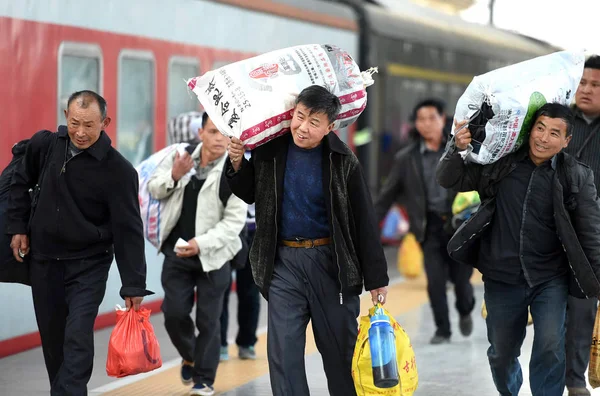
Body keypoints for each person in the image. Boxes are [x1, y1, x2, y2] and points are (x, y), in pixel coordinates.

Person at [226, 85, 389, 396]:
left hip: (332, 265)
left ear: (330, 127)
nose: (302, 127)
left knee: (340, 355)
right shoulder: (270, 151)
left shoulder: (343, 160)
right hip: (283, 263)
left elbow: (364, 220)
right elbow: (249, 192)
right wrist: (236, 164)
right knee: (283, 355)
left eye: (314, 123)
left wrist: (377, 278)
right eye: (299, 117)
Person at [437, 103, 600, 395]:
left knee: (550, 346)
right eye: (539, 128)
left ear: (566, 141)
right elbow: (450, 179)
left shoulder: (575, 176)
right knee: (501, 353)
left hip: (550, 278)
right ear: (529, 130)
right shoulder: (502, 164)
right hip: (501, 275)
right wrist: (456, 148)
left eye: (554, 133)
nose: (543, 138)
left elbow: (590, 232)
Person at [6, 90, 152, 396]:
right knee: (53, 342)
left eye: (89, 125)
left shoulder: (118, 170)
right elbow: (18, 180)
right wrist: (17, 226)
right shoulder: (45, 146)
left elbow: (128, 229)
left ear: (105, 122)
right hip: (44, 262)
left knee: (78, 335)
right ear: (65, 117)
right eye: (74, 123)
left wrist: (134, 285)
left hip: (88, 265)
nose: (80, 133)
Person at [147, 112, 247, 396]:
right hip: (177, 254)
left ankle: (204, 378)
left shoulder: (237, 171)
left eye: (226, 134)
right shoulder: (182, 156)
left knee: (208, 320)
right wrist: (175, 174)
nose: (220, 140)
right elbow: (154, 188)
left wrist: (201, 243)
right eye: (213, 132)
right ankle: (190, 355)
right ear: (200, 132)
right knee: (173, 313)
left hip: (214, 257)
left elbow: (233, 224)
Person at [374, 98, 475, 344]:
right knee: (435, 282)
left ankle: (465, 309)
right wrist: (368, 227)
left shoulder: (460, 151)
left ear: (444, 120)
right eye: (421, 119)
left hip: (459, 227)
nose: (426, 124)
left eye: (432, 118)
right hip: (428, 228)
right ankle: (443, 329)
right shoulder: (406, 159)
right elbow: (386, 197)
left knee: (462, 281)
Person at [563, 55, 600, 396]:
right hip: (555, 231)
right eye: (583, 82)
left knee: (583, 307)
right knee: (561, 311)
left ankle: (575, 379)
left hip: (594, 235)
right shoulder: (559, 120)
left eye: (596, 85)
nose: (586, 90)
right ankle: (568, 376)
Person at [219, 196, 260, 361]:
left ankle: (247, 342)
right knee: (219, 287)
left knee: (250, 290)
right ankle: (219, 343)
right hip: (224, 231)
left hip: (253, 229)